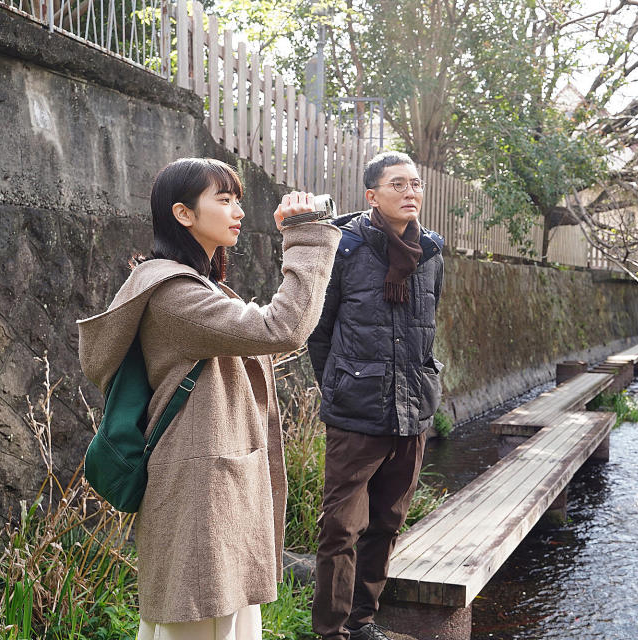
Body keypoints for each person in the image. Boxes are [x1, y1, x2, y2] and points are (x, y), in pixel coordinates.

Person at [77, 157, 341, 640]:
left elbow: (275, 334)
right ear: (183, 214)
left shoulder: (201, 286)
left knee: (223, 620)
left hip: (214, 487)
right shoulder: (174, 294)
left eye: (237, 198)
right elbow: (281, 327)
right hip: (200, 495)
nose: (237, 210)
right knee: (197, 624)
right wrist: (306, 235)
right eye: (223, 200)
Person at [308, 151, 445, 640]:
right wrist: (342, 383)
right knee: (340, 528)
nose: (411, 192)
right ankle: (330, 629)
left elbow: (426, 329)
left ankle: (363, 620)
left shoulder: (430, 252)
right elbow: (318, 331)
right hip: (356, 409)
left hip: (413, 410)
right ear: (372, 195)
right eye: (398, 185)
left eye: (416, 184)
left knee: (387, 521)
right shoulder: (344, 248)